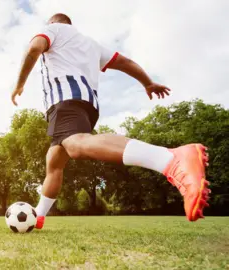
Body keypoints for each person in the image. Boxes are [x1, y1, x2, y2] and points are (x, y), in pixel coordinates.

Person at [11, 13, 210, 229]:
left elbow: (34, 48)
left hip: (65, 98)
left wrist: (19, 84)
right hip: (88, 103)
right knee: (55, 160)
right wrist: (147, 83)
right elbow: (124, 62)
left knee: (75, 144)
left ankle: (169, 159)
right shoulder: (91, 44)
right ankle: (39, 215)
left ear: (54, 23)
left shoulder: (54, 29)